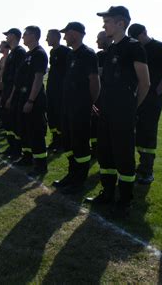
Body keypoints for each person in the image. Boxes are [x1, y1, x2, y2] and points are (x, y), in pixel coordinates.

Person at [86, 6, 150, 218]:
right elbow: (106, 83)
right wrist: (101, 103)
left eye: (108, 21)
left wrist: (132, 107)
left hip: (123, 112)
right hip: (106, 111)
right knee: (105, 154)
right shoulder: (111, 49)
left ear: (121, 23)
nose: (104, 25)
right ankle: (107, 193)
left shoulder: (134, 47)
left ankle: (124, 200)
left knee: (123, 157)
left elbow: (145, 83)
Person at [53, 22, 100, 193]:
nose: (64, 37)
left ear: (75, 34)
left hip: (80, 107)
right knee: (68, 142)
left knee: (80, 143)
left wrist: (90, 103)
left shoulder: (88, 54)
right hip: (67, 106)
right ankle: (71, 174)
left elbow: (94, 81)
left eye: (67, 33)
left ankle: (79, 180)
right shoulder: (71, 55)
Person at [128, 23, 162, 184]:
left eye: (138, 37)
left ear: (144, 32)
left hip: (152, 100)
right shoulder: (136, 49)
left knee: (148, 134)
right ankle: (140, 168)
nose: (136, 41)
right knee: (137, 134)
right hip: (136, 98)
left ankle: (147, 170)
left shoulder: (160, 48)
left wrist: (156, 91)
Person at [15, 26, 49, 177]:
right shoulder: (28, 54)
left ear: (34, 35)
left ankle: (41, 165)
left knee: (36, 131)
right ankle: (27, 157)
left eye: (25, 34)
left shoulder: (39, 54)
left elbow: (38, 78)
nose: (23, 37)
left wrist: (30, 100)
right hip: (23, 97)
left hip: (33, 99)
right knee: (25, 129)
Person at [0, 28, 27, 159]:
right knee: (8, 122)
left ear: (14, 36)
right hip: (7, 91)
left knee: (15, 123)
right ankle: (11, 147)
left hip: (14, 92)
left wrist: (10, 97)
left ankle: (17, 150)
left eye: (8, 35)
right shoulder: (11, 53)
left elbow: (18, 76)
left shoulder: (20, 52)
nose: (6, 37)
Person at [45, 29, 71, 152]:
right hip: (51, 89)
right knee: (52, 115)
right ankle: (55, 140)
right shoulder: (52, 51)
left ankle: (62, 142)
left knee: (61, 116)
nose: (46, 39)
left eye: (48, 37)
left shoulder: (65, 51)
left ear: (56, 37)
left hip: (61, 90)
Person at [90, 31, 112, 155]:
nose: (97, 41)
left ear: (108, 39)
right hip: (98, 96)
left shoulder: (115, 53)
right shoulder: (98, 56)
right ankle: (95, 148)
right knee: (95, 124)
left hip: (110, 97)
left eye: (99, 39)